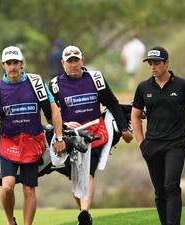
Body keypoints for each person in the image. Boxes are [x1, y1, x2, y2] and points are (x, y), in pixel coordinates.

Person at [0, 46, 66, 225]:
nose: (12, 67)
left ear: (22, 64)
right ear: (3, 65)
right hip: (8, 143)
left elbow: (54, 110)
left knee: (29, 191)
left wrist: (59, 138)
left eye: (16, 63)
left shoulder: (36, 84)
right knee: (7, 188)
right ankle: (10, 221)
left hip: (32, 143)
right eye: (9, 63)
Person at [50, 45, 134, 225]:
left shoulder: (95, 78)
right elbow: (51, 115)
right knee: (75, 177)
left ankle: (85, 211)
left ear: (82, 61)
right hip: (70, 137)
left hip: (95, 133)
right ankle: (84, 215)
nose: (73, 64)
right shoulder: (55, 85)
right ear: (63, 63)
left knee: (88, 172)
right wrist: (64, 125)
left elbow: (112, 103)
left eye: (76, 60)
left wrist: (124, 129)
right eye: (69, 61)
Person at [131, 46, 185, 225]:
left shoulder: (183, 86)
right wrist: (141, 143)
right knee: (160, 191)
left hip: (175, 144)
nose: (153, 66)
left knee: (171, 186)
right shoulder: (143, 87)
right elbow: (135, 115)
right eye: (150, 63)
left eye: (157, 63)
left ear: (167, 63)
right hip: (151, 145)